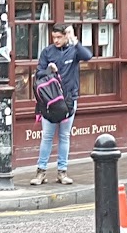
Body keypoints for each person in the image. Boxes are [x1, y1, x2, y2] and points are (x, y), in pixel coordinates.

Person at [30, 23, 92, 186]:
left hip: (69, 99)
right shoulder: (47, 52)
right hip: (50, 100)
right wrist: (49, 69)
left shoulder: (74, 50)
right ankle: (41, 172)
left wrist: (74, 40)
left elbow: (88, 56)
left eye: (59, 37)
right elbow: (38, 72)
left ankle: (62, 172)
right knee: (47, 137)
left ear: (65, 36)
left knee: (64, 136)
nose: (56, 40)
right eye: (54, 37)